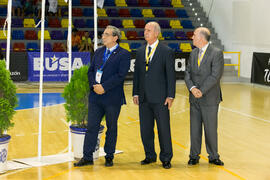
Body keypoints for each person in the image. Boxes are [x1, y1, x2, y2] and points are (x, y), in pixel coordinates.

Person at [74, 25, 131, 167]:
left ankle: (109, 155)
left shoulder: (124, 54)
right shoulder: (98, 52)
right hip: (96, 96)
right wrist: (94, 85)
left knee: (112, 127)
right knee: (92, 127)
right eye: (103, 34)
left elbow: (121, 75)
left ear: (115, 38)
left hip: (112, 97)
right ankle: (87, 157)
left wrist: (104, 87)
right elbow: (91, 71)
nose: (103, 37)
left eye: (106, 34)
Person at [132, 22, 176, 169]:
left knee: (164, 129)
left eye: (148, 30)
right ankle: (150, 156)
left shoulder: (166, 51)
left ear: (156, 33)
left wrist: (170, 95)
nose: (145, 32)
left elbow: (171, 75)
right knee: (145, 129)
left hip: (161, 98)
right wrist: (135, 92)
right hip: (143, 98)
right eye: (144, 30)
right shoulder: (140, 51)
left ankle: (166, 158)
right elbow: (137, 75)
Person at [184, 27, 224, 166]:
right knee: (194, 129)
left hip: (210, 99)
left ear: (201, 37)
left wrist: (201, 90)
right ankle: (194, 156)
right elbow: (187, 73)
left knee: (210, 129)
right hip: (194, 98)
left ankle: (213, 156)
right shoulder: (193, 53)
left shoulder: (216, 53)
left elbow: (215, 75)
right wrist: (193, 88)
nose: (192, 37)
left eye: (194, 35)